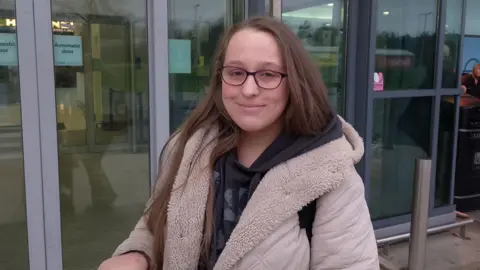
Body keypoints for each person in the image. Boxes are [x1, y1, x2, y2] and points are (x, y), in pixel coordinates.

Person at [99, 16, 379, 270]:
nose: (248, 89)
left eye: (268, 74)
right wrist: (136, 255)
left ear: (295, 81)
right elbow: (154, 224)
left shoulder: (330, 175)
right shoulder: (186, 148)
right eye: (236, 73)